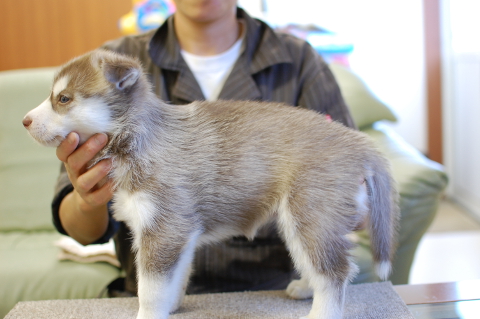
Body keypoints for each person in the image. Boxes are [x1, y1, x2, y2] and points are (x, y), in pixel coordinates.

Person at [52, 0, 356, 296]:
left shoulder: (297, 61)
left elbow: (351, 190)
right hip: (149, 297)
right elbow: (79, 228)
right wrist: (86, 199)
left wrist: (332, 191)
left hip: (268, 296)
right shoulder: (112, 66)